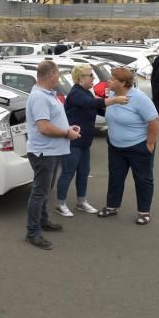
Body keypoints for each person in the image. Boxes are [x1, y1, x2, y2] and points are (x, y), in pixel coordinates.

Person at [55, 64, 129, 218]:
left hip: (84, 142)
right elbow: (92, 104)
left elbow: (99, 108)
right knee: (68, 172)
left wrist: (117, 108)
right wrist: (114, 100)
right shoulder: (76, 93)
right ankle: (60, 204)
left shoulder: (87, 92)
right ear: (81, 78)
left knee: (83, 172)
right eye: (90, 75)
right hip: (73, 142)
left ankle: (81, 201)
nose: (93, 78)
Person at [24, 60, 81, 250]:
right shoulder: (40, 97)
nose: (59, 78)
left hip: (51, 150)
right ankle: (32, 232)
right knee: (39, 191)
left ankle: (43, 221)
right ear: (50, 76)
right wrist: (66, 133)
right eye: (57, 74)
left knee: (45, 190)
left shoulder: (47, 94)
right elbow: (44, 127)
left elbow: (51, 121)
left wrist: (67, 128)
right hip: (44, 152)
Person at [98, 67, 159, 225]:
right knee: (115, 177)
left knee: (143, 179)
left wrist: (150, 143)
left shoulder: (139, 98)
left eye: (113, 79)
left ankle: (144, 212)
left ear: (124, 83)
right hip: (115, 147)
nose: (109, 81)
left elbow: (153, 121)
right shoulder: (112, 95)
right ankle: (112, 206)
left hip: (138, 147)